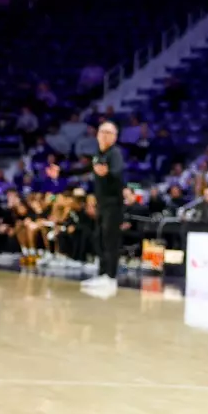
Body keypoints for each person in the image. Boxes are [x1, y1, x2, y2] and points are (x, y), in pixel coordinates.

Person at [79, 121, 125, 294]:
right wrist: (61, 172)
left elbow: (118, 172)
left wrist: (108, 173)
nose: (105, 135)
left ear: (114, 137)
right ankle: (102, 273)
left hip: (114, 204)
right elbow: (84, 168)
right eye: (103, 132)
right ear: (98, 135)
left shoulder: (115, 154)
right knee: (98, 238)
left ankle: (111, 278)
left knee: (110, 240)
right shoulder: (98, 154)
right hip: (102, 203)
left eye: (109, 133)